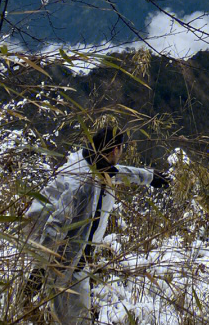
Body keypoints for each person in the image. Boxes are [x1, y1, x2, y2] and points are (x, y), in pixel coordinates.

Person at [23, 126, 170, 324]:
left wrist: (150, 177)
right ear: (114, 150)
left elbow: (116, 173)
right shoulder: (82, 186)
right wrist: (40, 269)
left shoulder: (95, 163)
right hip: (60, 259)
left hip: (70, 257)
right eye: (122, 149)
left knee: (72, 315)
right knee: (73, 317)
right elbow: (55, 226)